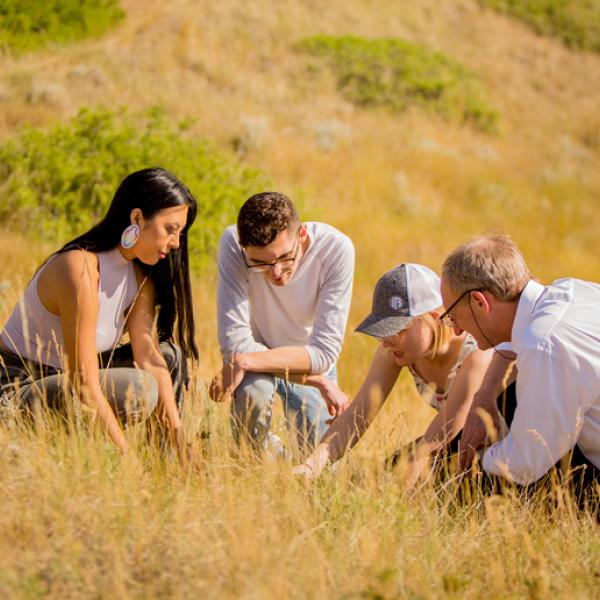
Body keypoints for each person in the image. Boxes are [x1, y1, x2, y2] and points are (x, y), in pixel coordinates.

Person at [0, 167, 198, 461]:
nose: (176, 243)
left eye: (179, 233)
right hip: (20, 385)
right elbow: (83, 382)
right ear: (137, 218)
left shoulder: (140, 276)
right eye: (171, 229)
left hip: (67, 379)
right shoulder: (80, 268)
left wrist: (181, 444)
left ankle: (168, 464)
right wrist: (127, 461)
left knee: (168, 357)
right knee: (139, 388)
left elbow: (151, 361)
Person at [295, 263, 493, 483]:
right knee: (379, 476)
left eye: (399, 329)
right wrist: (312, 464)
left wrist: (395, 494)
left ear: (436, 317)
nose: (386, 340)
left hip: (499, 451)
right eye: (382, 330)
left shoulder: (476, 355)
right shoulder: (396, 349)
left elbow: (441, 436)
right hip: (453, 445)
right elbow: (357, 415)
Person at [440, 234, 600, 493]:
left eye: (453, 316)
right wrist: (485, 394)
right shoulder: (570, 292)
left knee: (475, 482)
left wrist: (474, 465)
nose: (457, 330)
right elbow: (512, 337)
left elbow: (526, 462)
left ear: (480, 302)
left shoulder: (545, 344)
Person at [209, 191, 354, 455]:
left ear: (302, 235)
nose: (275, 273)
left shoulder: (337, 249)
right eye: (260, 263)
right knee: (251, 430)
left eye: (286, 257)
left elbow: (323, 353)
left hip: (302, 358)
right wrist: (317, 381)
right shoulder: (233, 244)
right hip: (268, 365)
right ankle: (266, 468)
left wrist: (244, 360)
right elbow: (234, 342)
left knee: (319, 469)